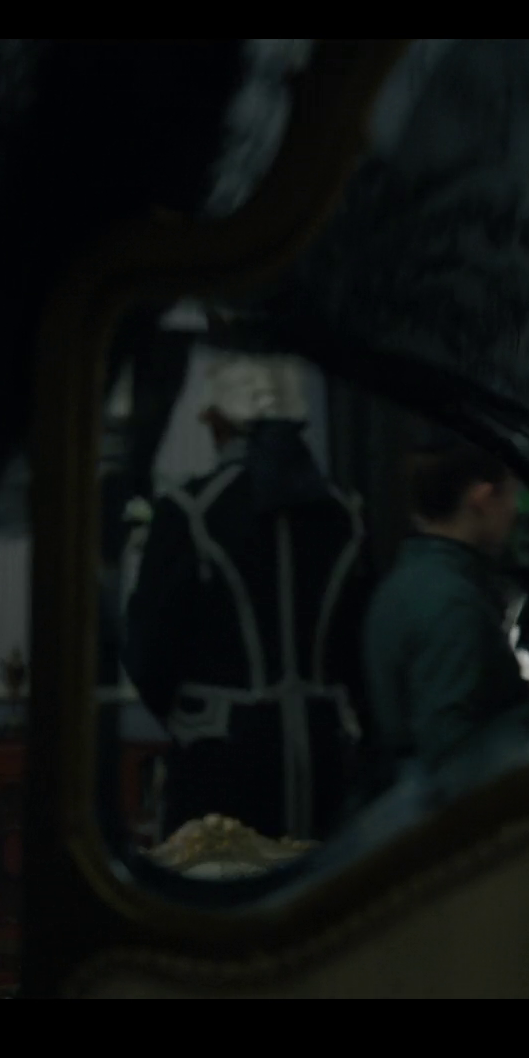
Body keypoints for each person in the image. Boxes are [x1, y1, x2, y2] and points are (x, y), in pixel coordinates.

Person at [121, 352, 373, 843]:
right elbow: (358, 653)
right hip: (326, 762)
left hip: (221, 766)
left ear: (221, 420)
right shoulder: (343, 516)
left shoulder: (191, 511)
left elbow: (149, 654)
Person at [361, 431, 529, 795]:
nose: (516, 510)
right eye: (510, 494)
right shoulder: (451, 601)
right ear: (481, 498)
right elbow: (455, 758)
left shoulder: (410, 579)